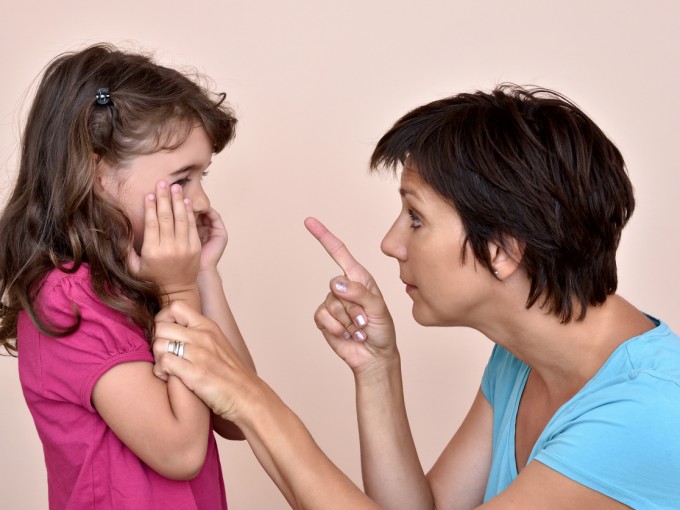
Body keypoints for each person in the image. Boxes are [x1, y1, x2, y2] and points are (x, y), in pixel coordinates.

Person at [152, 85, 680, 509]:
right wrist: (377, 368)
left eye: (416, 218)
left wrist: (250, 400)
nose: (390, 243)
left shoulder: (649, 414)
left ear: (502, 249)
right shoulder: (522, 359)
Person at [0, 44, 255, 510]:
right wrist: (179, 292)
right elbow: (181, 451)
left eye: (203, 177)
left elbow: (240, 414)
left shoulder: (145, 276)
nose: (200, 201)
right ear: (97, 173)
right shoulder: (66, 299)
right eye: (182, 180)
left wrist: (201, 277)